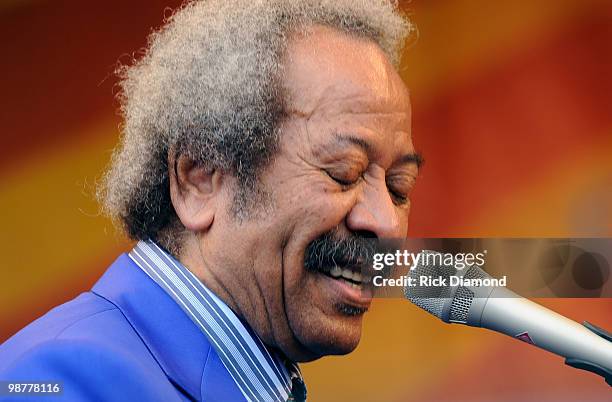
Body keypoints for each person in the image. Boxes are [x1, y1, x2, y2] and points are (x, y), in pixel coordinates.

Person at [0, 1, 420, 400]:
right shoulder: (62, 380)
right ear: (199, 179)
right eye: (343, 172)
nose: (386, 224)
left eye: (399, 188)